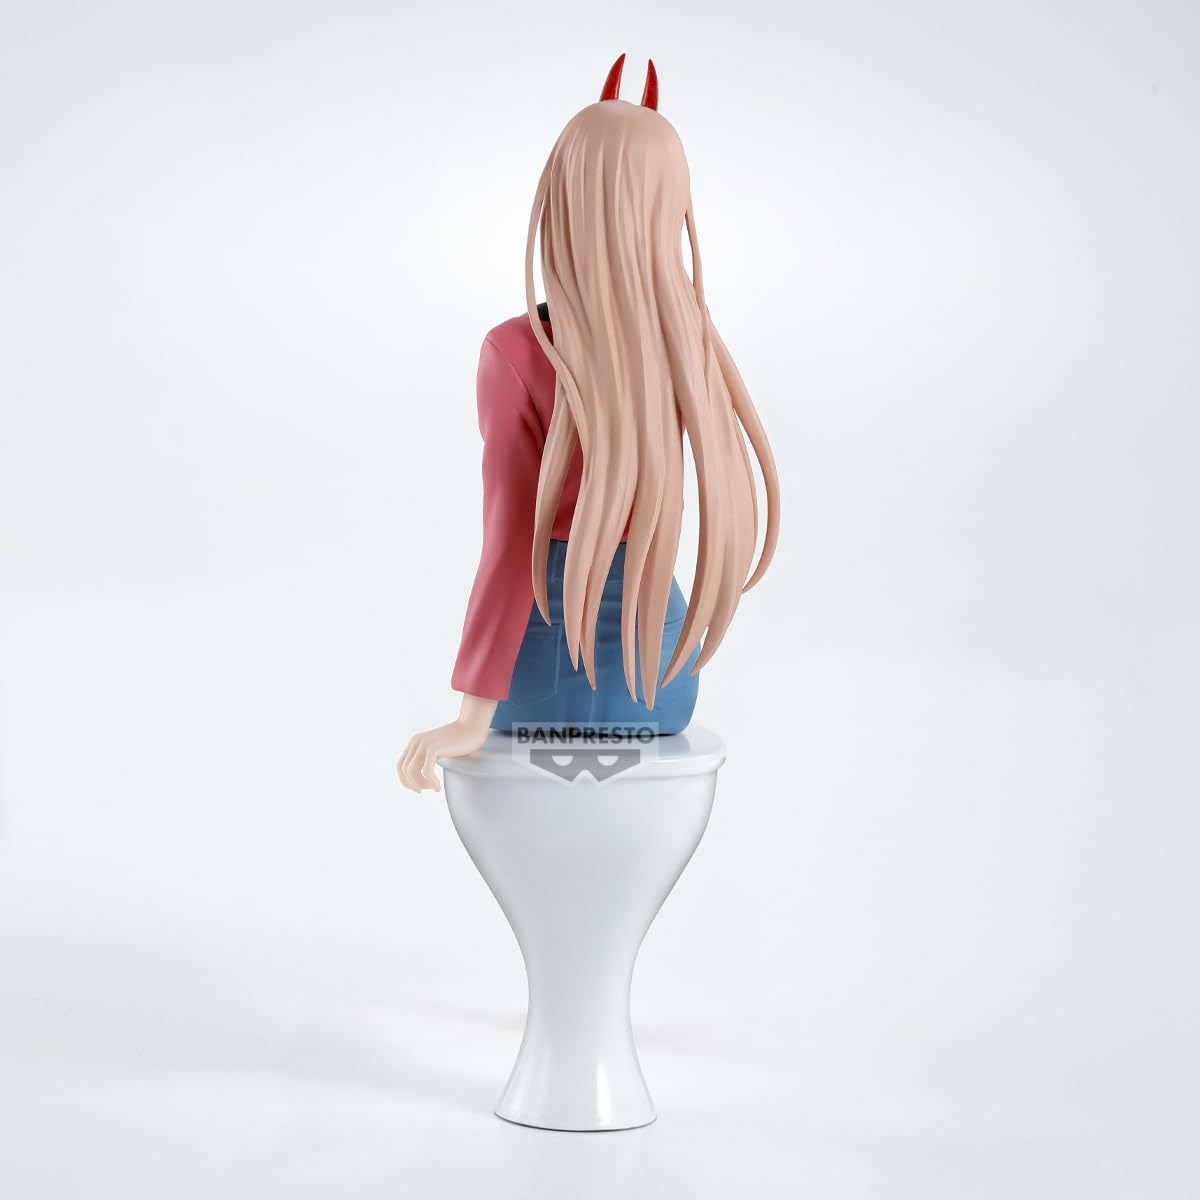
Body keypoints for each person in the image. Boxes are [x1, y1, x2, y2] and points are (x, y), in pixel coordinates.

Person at [397, 55, 779, 792]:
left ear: (563, 198)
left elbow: (511, 545)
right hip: (660, 679)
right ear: (668, 207)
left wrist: (470, 714)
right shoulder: (689, 345)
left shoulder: (516, 352)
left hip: (540, 673)